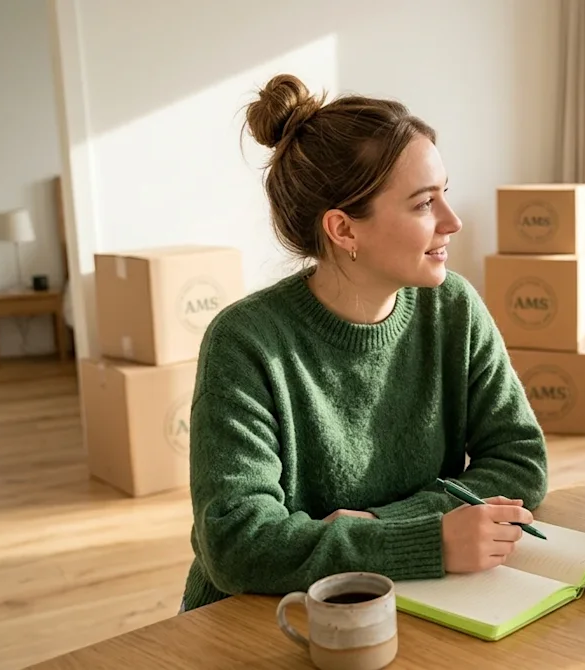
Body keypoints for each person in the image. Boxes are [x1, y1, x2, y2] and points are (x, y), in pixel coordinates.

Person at [179, 74, 548, 612]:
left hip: (415, 601)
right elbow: (237, 545)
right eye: (423, 204)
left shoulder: (454, 308)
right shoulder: (245, 342)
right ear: (343, 230)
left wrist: (386, 524)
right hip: (262, 617)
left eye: (444, 193)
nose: (453, 221)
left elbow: (521, 461)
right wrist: (429, 540)